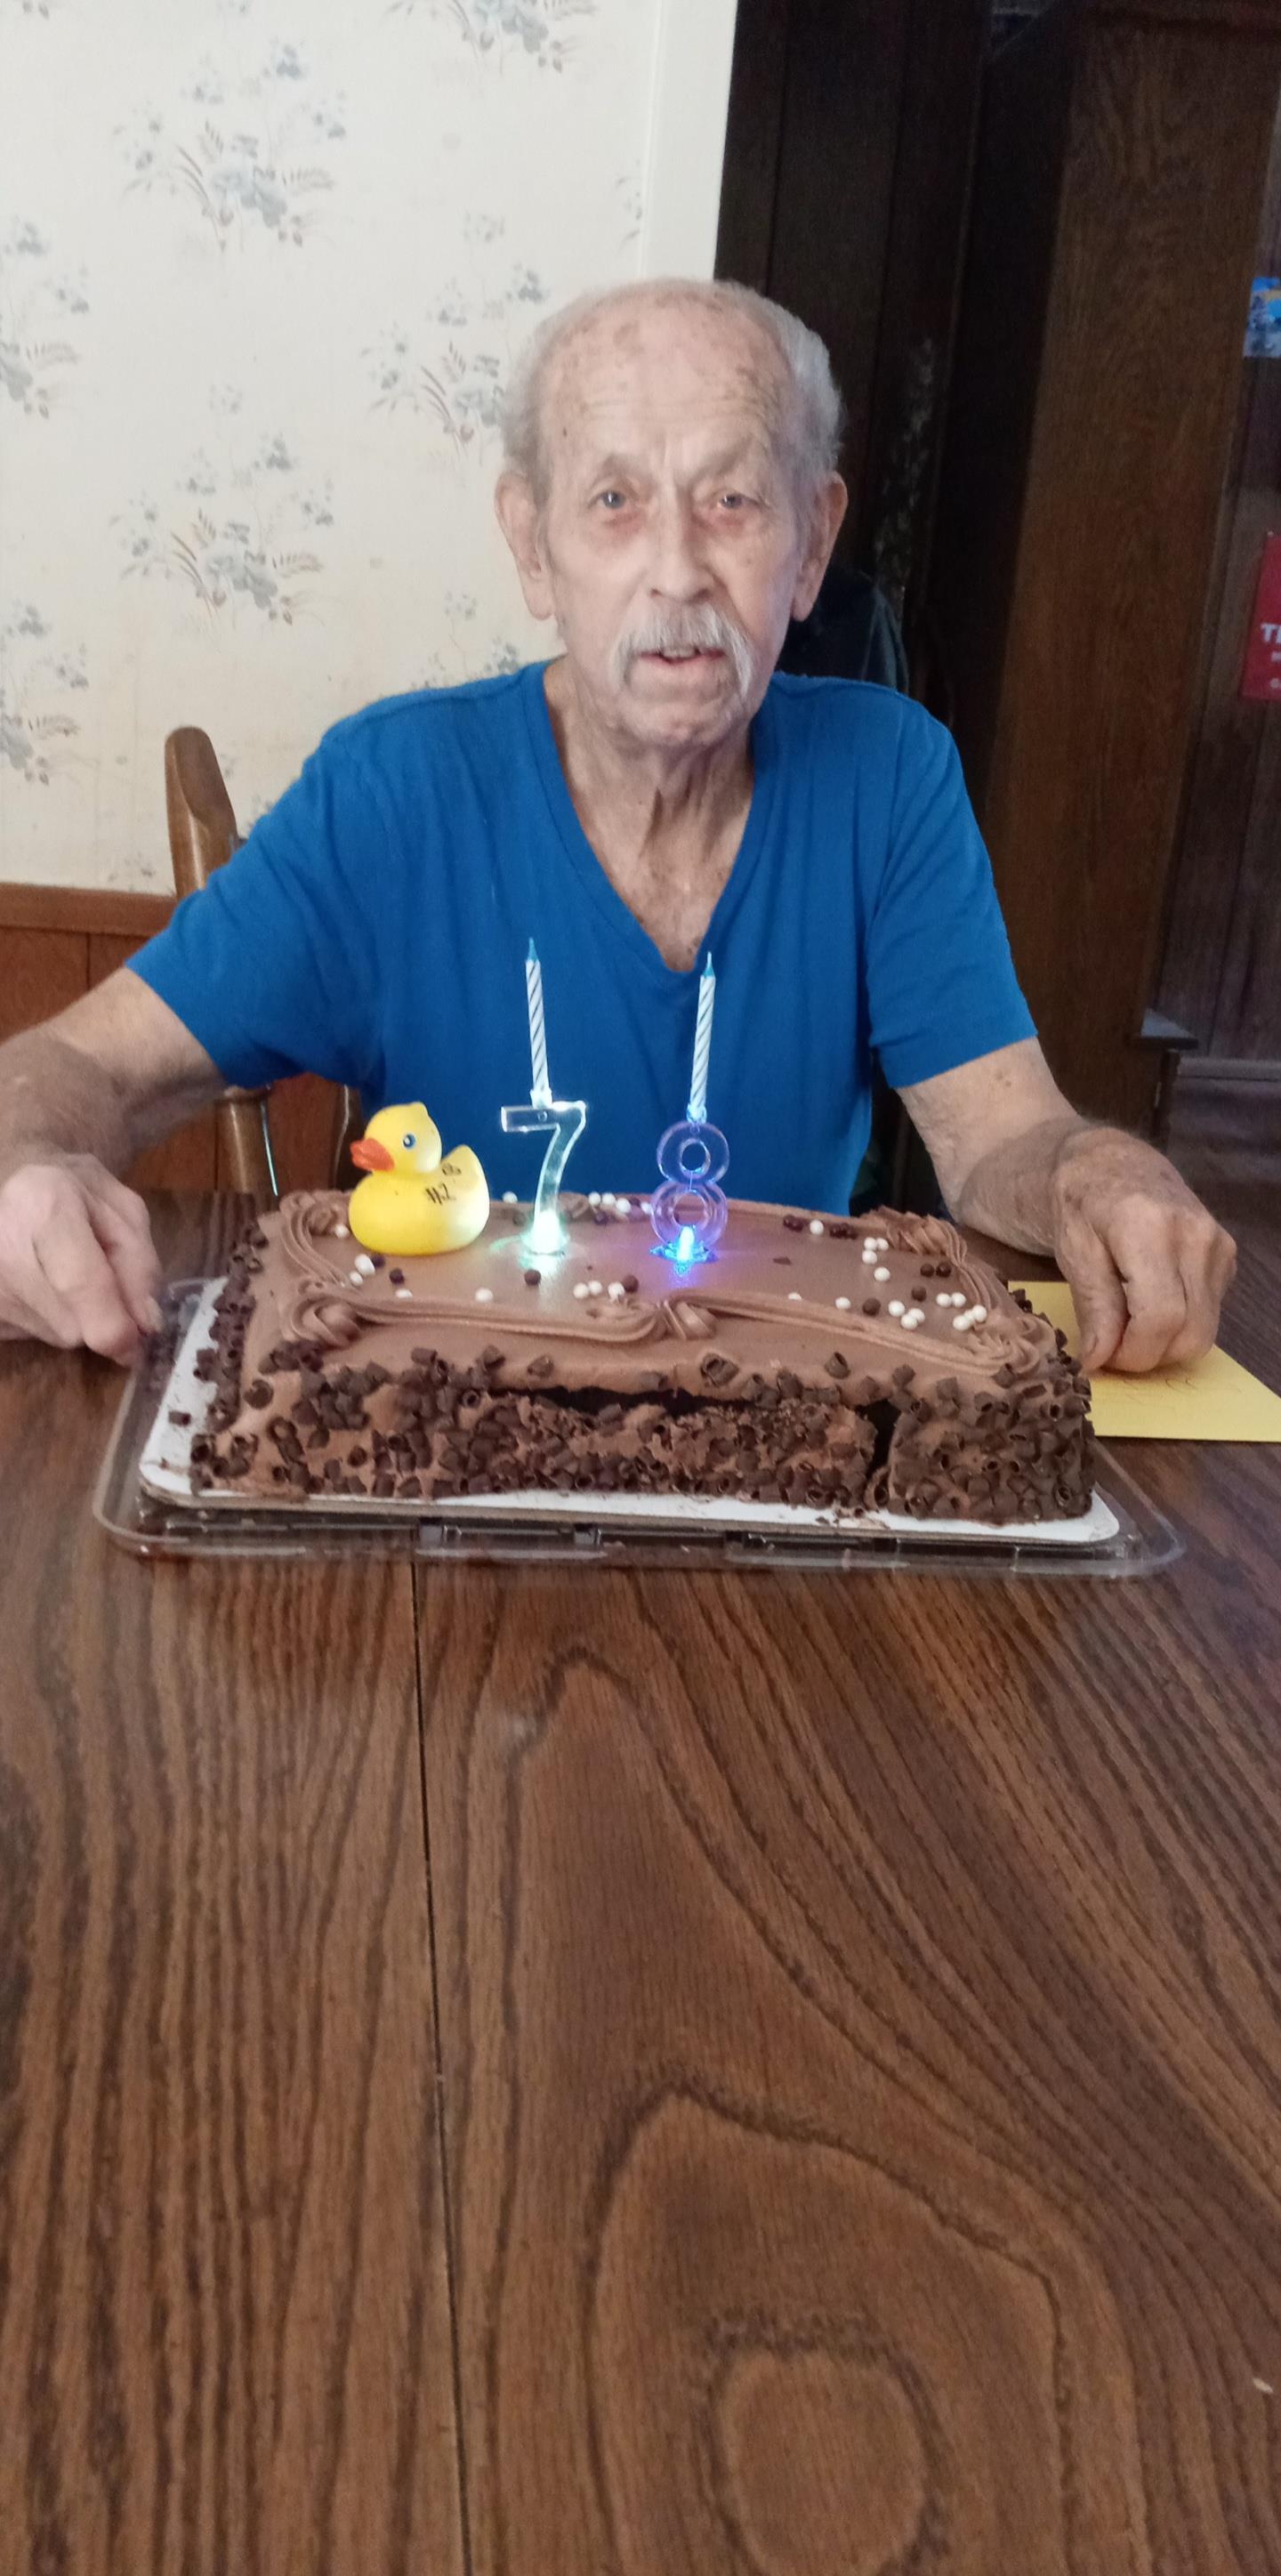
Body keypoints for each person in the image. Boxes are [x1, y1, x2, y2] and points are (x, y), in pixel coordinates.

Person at [0, 279, 1234, 1370]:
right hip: (440, 1471)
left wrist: (1099, 1173)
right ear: (533, 548)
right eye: (613, 502)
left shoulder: (886, 777)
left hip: (770, 1453)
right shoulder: (395, 794)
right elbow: (76, 1068)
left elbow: (1004, 1139)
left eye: (736, 501)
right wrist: (22, 1172)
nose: (679, 570)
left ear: (810, 547)